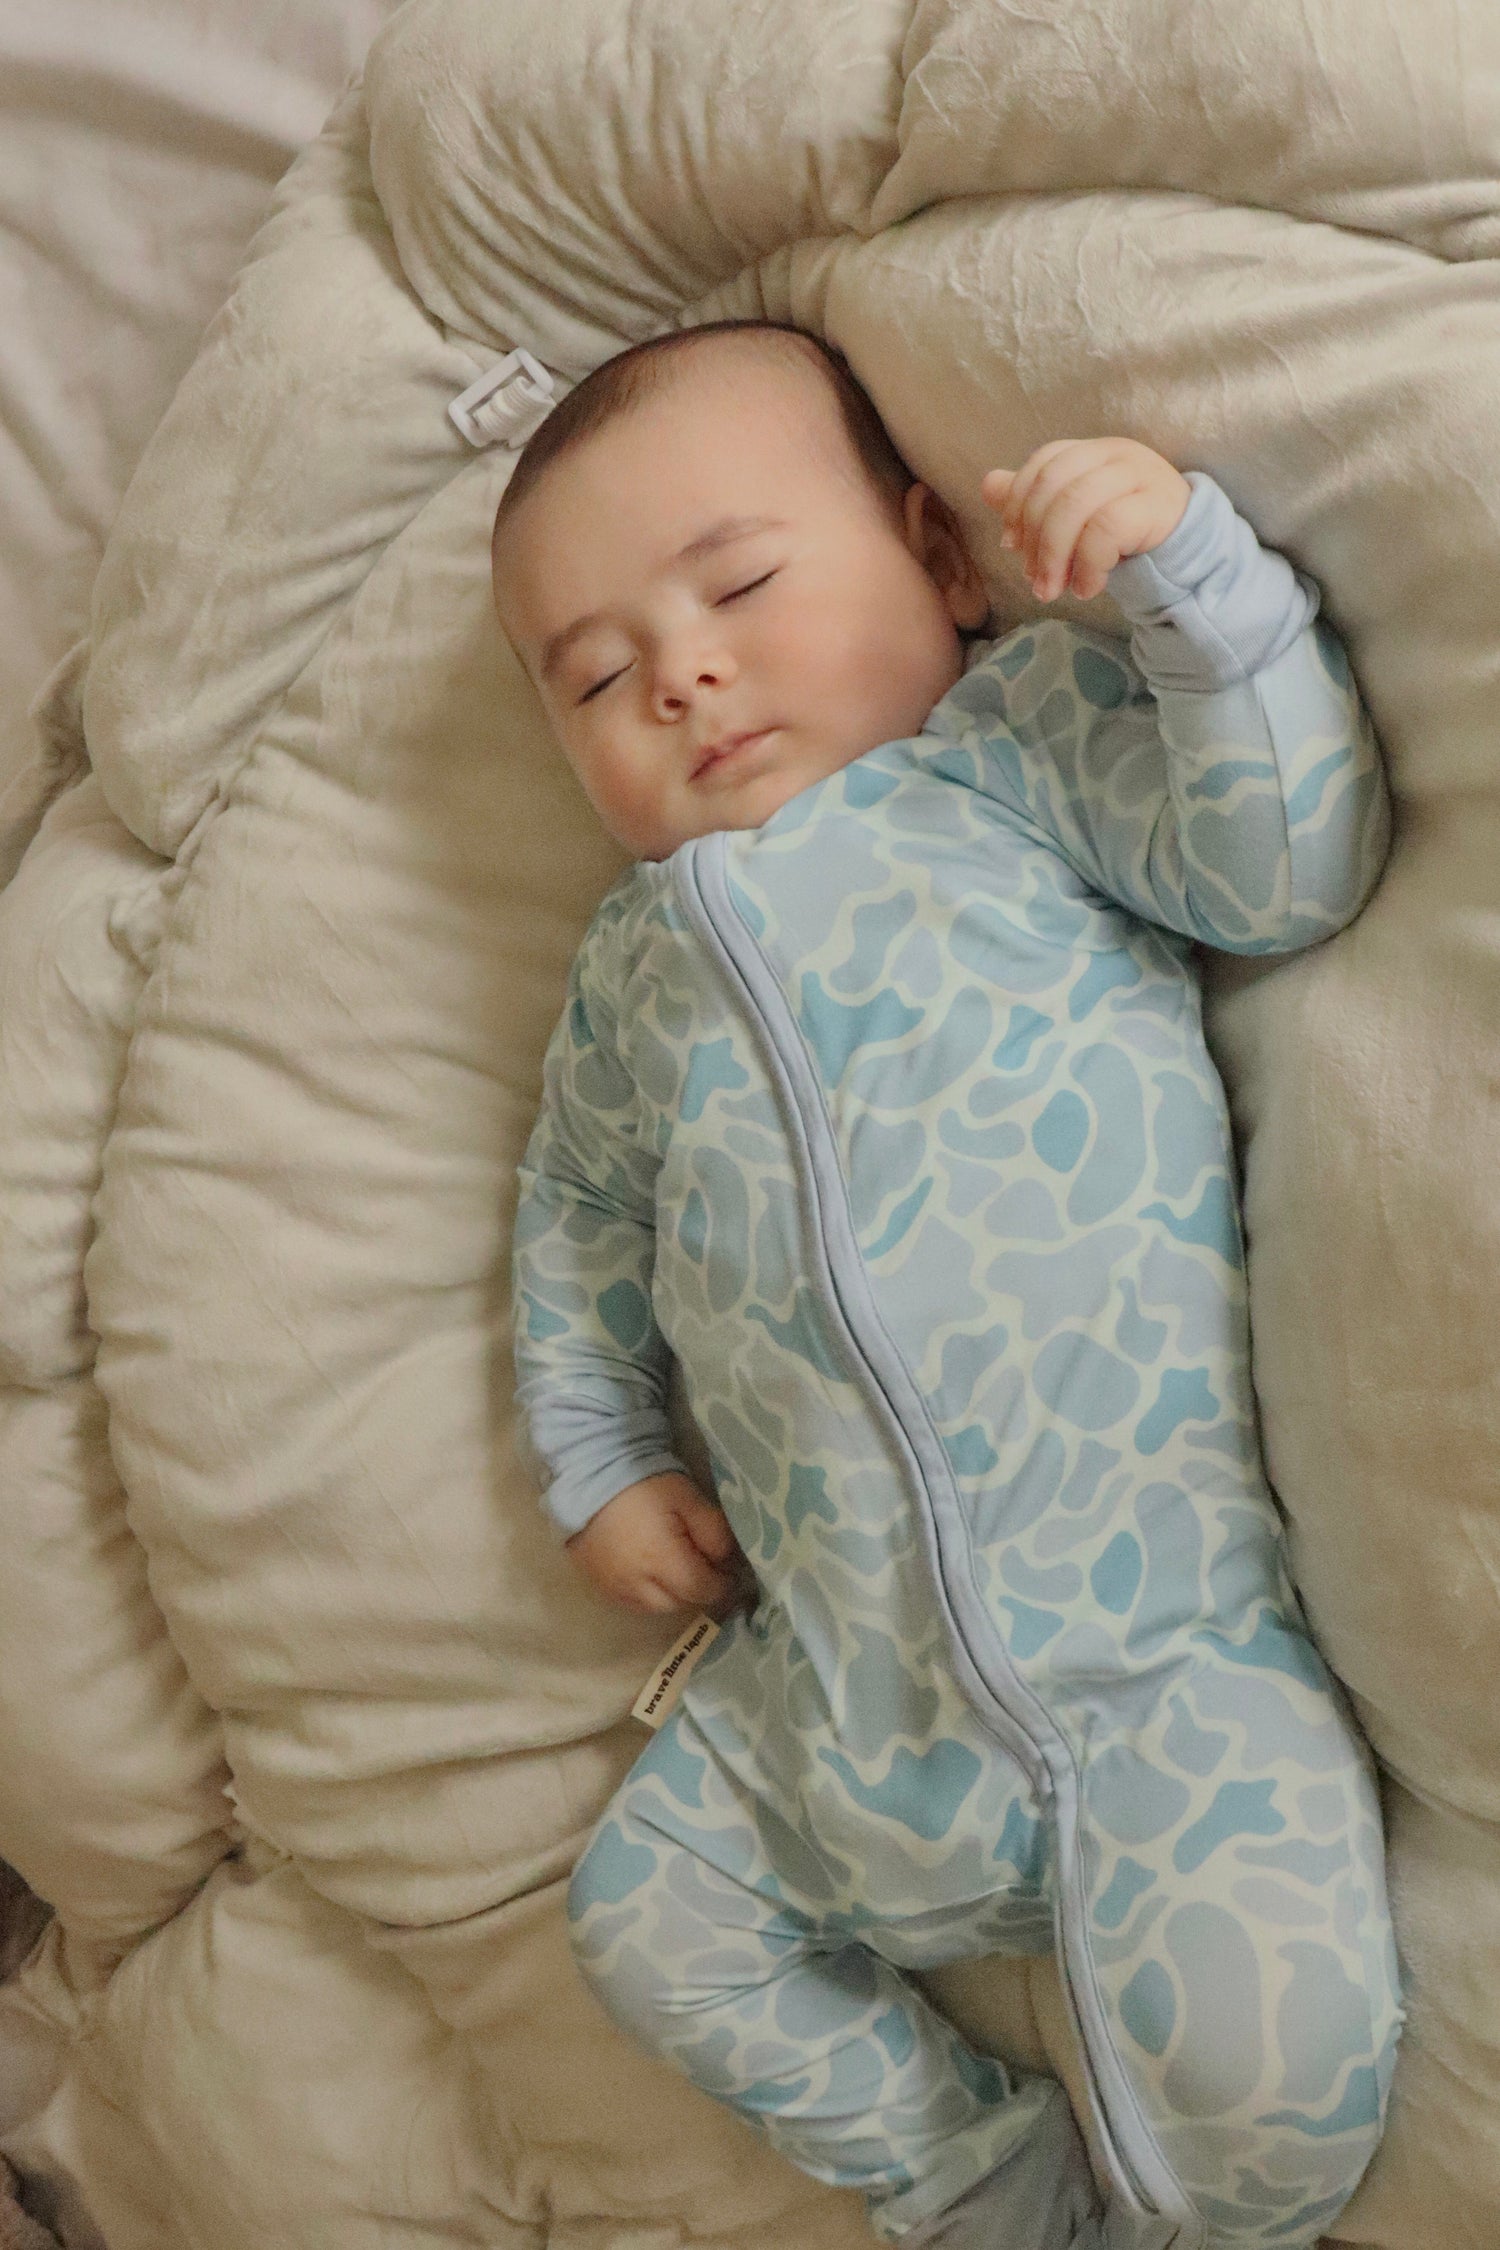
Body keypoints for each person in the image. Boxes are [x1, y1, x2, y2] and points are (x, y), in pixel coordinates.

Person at [493, 320, 1401, 2250]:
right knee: (646, 1919)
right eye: (593, 677)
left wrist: (1193, 583)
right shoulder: (629, 976)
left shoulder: (1015, 761)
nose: (684, 674)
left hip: (1153, 1639)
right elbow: (574, 1220)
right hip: (827, 1690)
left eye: (736, 583)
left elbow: (1286, 862)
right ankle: (981, 2182)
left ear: (939, 554)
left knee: (1273, 2103)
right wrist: (596, 1454)